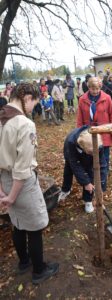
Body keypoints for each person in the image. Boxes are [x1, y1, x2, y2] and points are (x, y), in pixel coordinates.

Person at [0, 83, 59, 284]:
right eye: (34, 102)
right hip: (21, 184)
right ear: (26, 97)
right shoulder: (24, 124)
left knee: (17, 222)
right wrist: (12, 196)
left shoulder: (1, 117)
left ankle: (24, 262)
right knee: (33, 227)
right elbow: (22, 167)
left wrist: (2, 190)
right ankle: (39, 270)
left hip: (5, 181)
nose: (34, 107)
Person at [58, 126, 107, 213]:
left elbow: (102, 165)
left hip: (87, 150)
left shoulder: (98, 143)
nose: (93, 155)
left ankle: (88, 200)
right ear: (82, 147)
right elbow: (75, 165)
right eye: (91, 152)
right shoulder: (71, 143)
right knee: (69, 169)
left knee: (90, 171)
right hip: (71, 153)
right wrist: (85, 182)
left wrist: (101, 187)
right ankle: (65, 189)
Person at [77, 77, 112, 172]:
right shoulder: (82, 99)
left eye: (98, 88)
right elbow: (79, 119)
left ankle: (104, 177)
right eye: (93, 89)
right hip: (88, 134)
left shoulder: (107, 98)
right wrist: (79, 134)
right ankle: (92, 175)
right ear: (88, 87)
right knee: (90, 157)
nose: (95, 91)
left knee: (104, 158)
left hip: (104, 133)